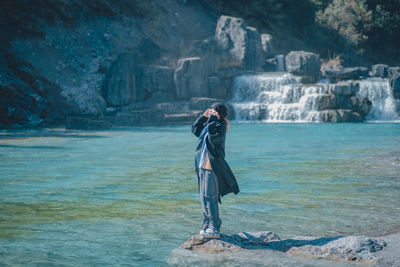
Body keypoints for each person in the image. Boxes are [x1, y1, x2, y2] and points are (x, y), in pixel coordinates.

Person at [191, 102, 240, 238]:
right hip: (201, 165)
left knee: (210, 197)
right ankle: (207, 225)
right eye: (210, 110)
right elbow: (195, 130)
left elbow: (213, 138)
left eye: (214, 111)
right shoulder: (208, 125)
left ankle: (214, 228)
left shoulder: (220, 127)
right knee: (203, 197)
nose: (211, 112)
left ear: (219, 114)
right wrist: (203, 117)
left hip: (212, 166)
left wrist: (212, 119)